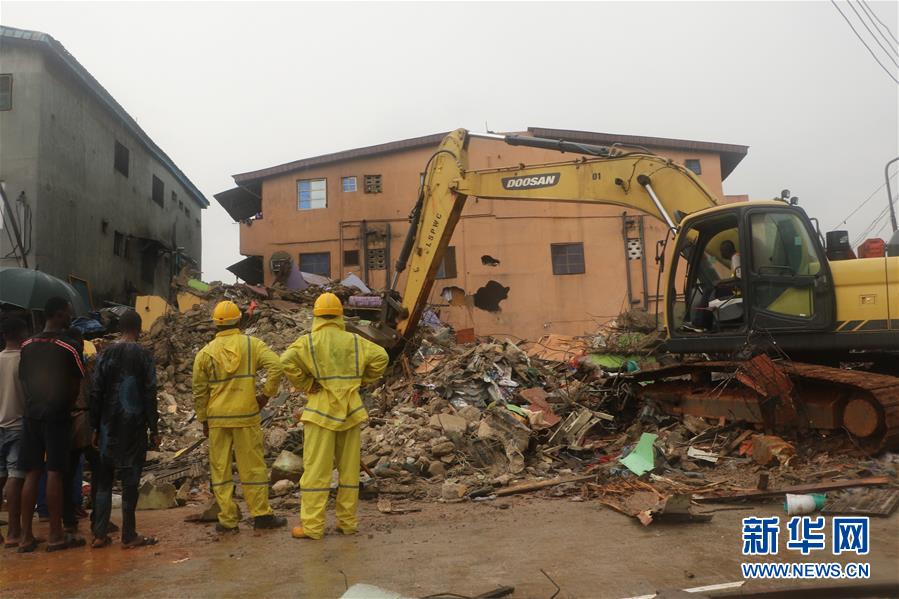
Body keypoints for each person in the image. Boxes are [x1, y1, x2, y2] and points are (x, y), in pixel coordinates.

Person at [280, 292, 388, 540]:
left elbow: (285, 361)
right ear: (340, 315)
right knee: (349, 471)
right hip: (350, 412)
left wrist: (307, 383)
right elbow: (381, 357)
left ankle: (313, 527)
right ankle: (347, 523)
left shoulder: (308, 342)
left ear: (316, 316)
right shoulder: (355, 341)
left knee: (316, 470)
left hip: (320, 412)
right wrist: (362, 380)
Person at [192, 300, 287, 533]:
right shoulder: (252, 345)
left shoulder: (204, 354)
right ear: (240, 320)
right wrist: (265, 396)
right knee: (253, 467)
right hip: (246, 415)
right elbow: (276, 366)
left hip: (217, 419)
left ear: (215, 324)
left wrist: (204, 420)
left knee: (220, 470)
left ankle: (228, 520)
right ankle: (261, 515)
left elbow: (199, 392)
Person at [18, 297, 85, 552]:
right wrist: (65, 405)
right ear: (58, 315)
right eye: (67, 313)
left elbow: (24, 380)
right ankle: (55, 535)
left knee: (32, 472)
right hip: (57, 415)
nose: (70, 316)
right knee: (55, 471)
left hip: (31, 414)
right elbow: (76, 382)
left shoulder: (27, 345)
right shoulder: (68, 347)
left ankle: (26, 537)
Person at [89, 310, 159, 548]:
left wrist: (94, 426)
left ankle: (99, 533)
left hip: (108, 427)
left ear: (120, 327)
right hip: (134, 427)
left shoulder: (105, 354)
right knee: (130, 481)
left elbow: (96, 391)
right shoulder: (144, 355)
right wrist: (154, 426)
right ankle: (129, 535)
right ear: (139, 329)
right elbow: (151, 393)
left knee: (104, 481)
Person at [0, 317, 28, 548]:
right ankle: (13, 532)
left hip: (0, 425)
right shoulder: (24, 361)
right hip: (18, 425)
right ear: (21, 333)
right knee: (15, 478)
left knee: (1, 477)